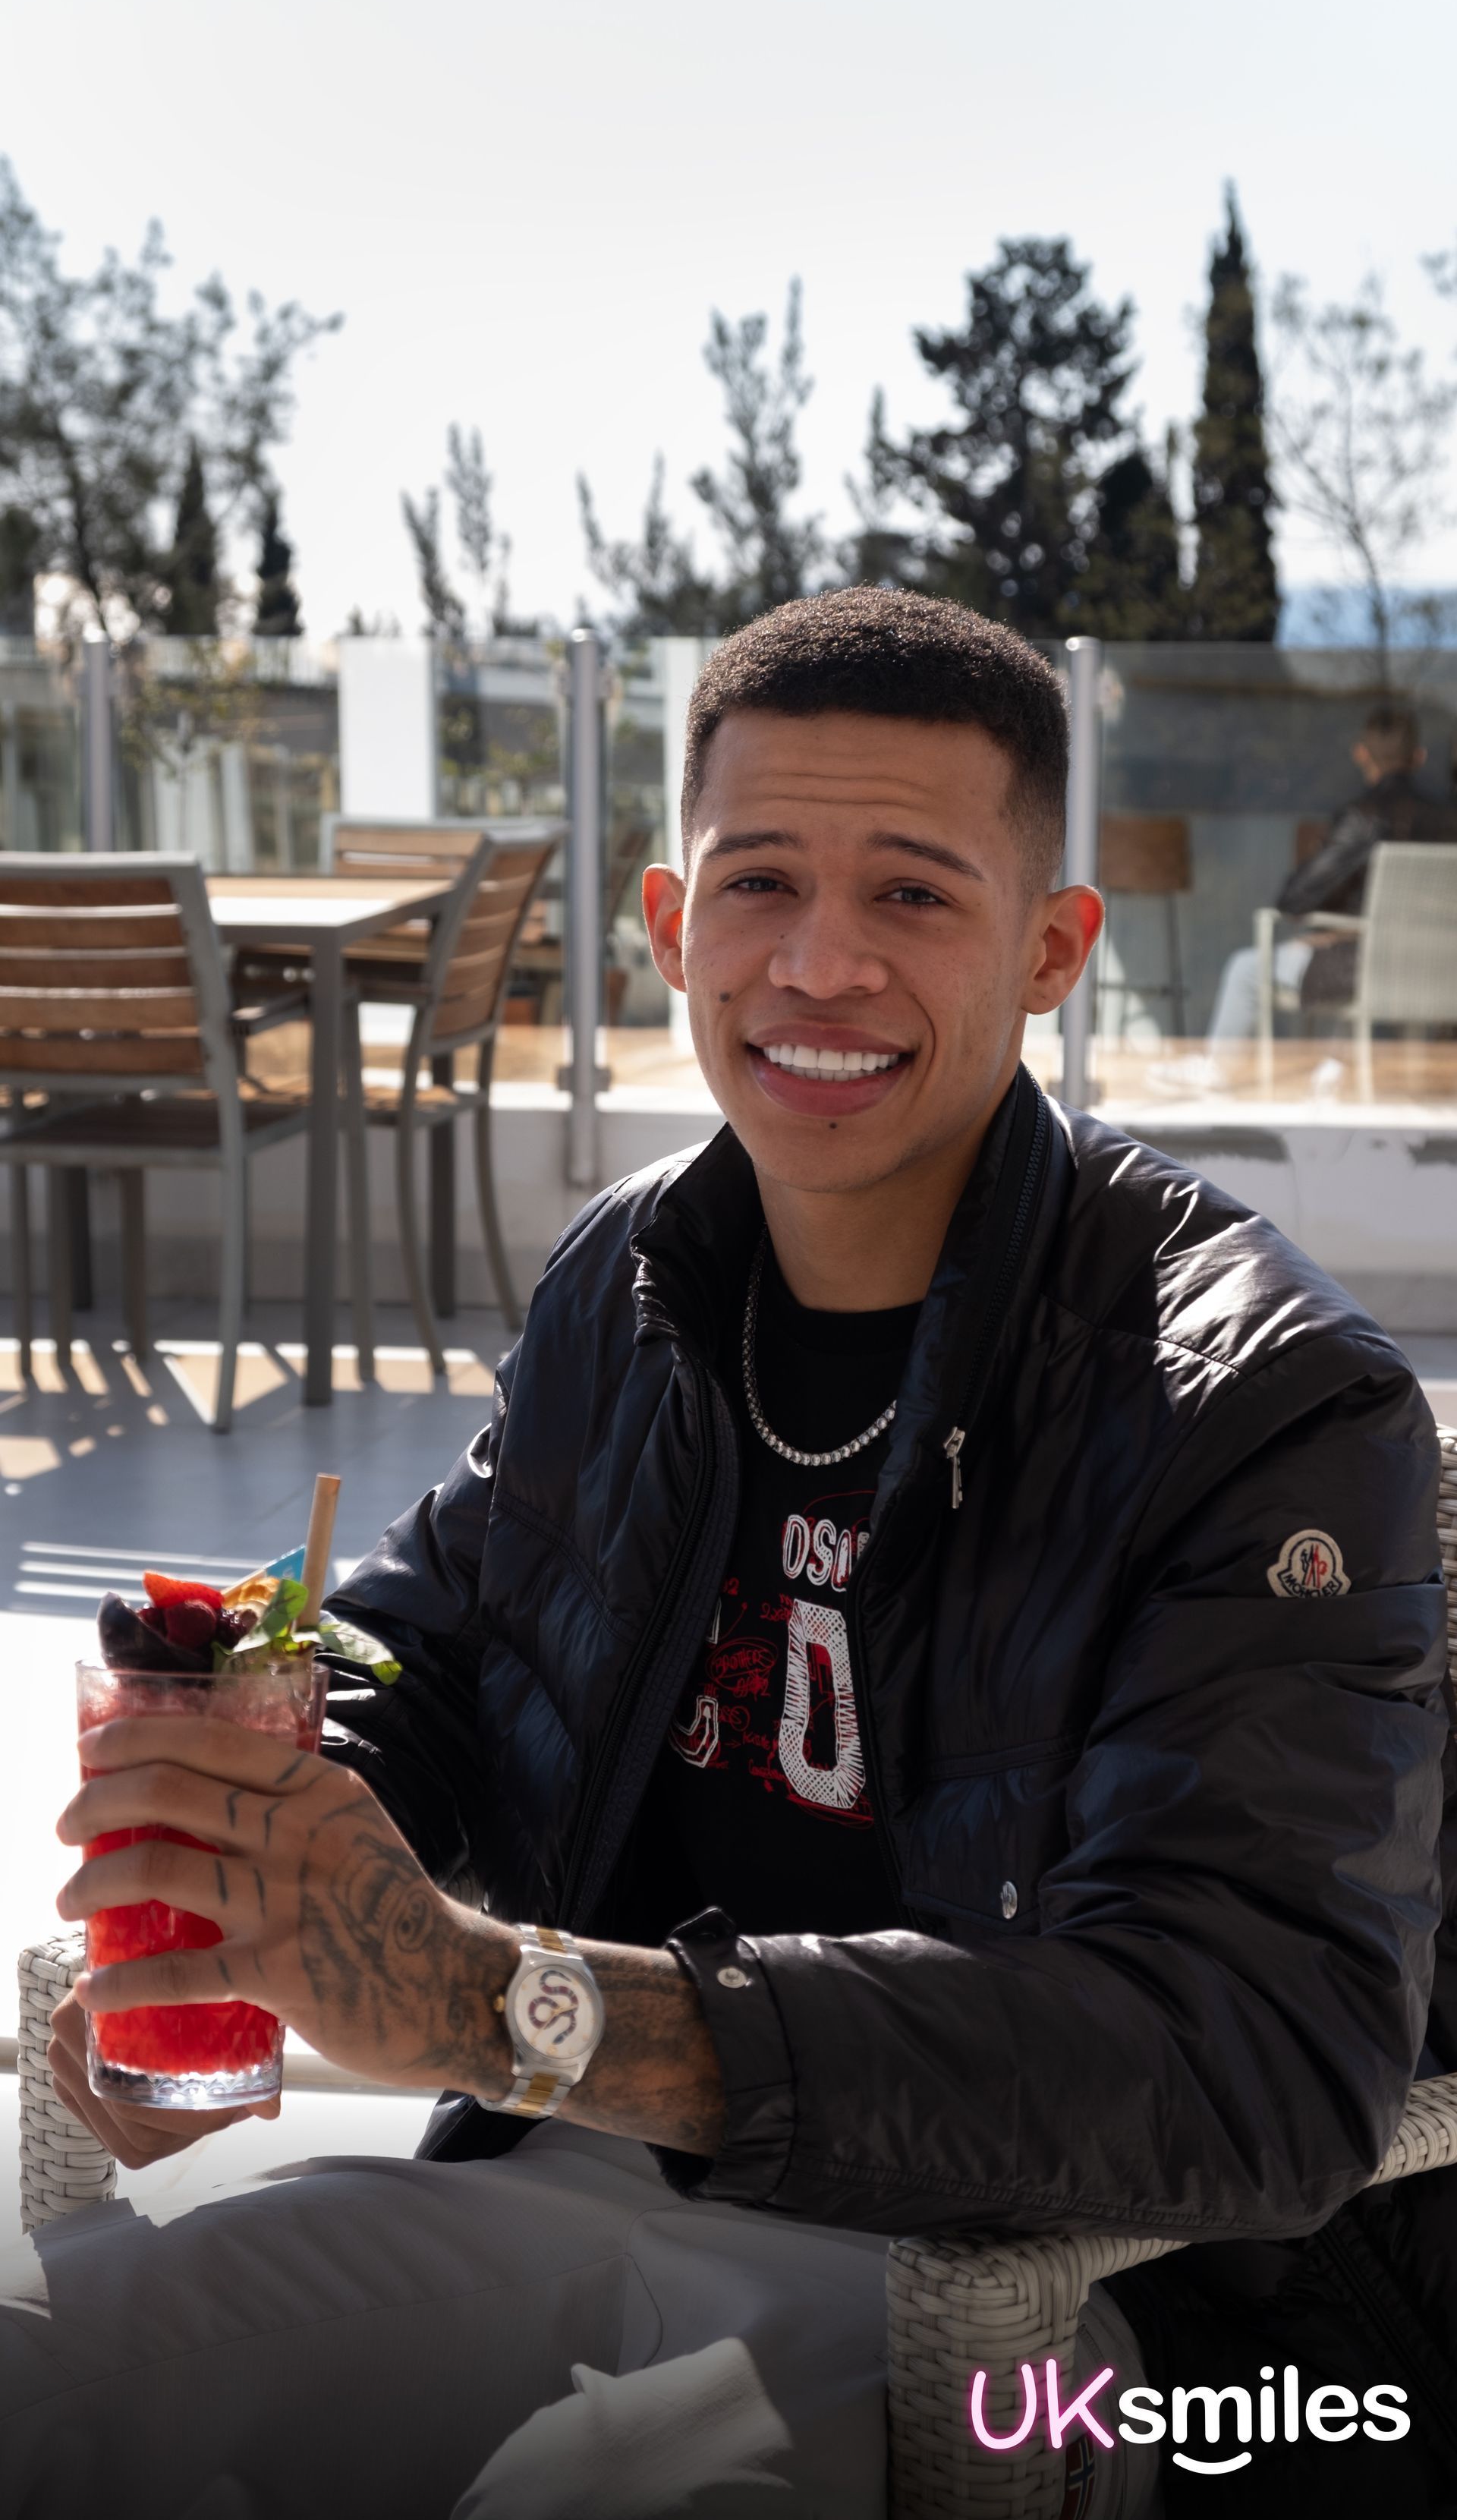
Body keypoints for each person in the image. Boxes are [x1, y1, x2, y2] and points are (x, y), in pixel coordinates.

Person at [5, 591, 1455, 2520]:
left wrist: (505, 2003)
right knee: (62, 2368)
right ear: (671, 926)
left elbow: (1253, 2062)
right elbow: (441, 1650)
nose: (822, 961)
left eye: (915, 897)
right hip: (588, 2173)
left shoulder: (1256, 1400)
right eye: (759, 881)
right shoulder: (634, 1278)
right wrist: (278, 1832)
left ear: (1049, 951)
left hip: (1077, 2315)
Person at [1201, 701, 1453, 1052]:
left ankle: (1215, 1072)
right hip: (1439, 968)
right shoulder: (1449, 823)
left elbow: (1294, 900)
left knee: (1246, 968)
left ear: (1361, 754)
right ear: (1419, 757)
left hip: (1362, 967)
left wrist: (1332, 931)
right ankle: (1334, 1073)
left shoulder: (1363, 818)